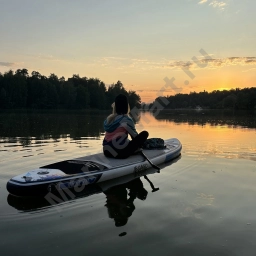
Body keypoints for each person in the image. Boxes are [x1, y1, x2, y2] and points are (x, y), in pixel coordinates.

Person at [103, 94, 148, 159]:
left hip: (106, 151)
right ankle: (135, 151)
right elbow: (135, 137)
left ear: (115, 106)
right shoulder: (126, 119)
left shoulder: (109, 119)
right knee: (144, 134)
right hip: (119, 152)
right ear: (127, 106)